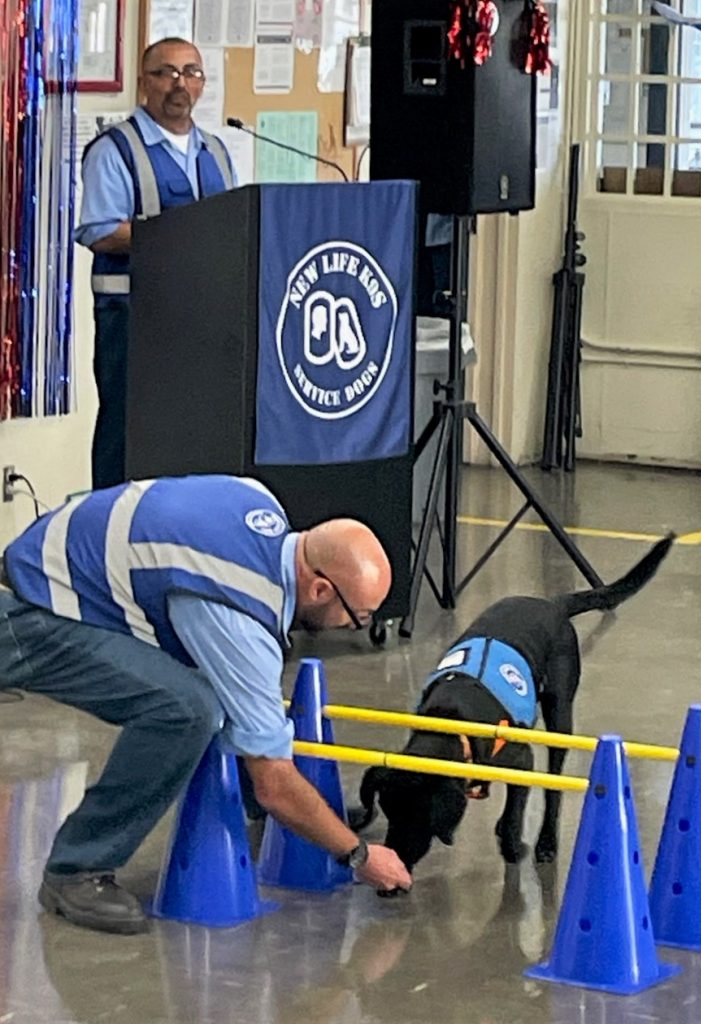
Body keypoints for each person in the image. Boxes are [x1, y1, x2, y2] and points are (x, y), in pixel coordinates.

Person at [0, 474, 412, 934]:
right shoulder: (237, 614)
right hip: (29, 612)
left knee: (215, 687)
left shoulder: (260, 501)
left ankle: (276, 815)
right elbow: (274, 783)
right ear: (319, 590)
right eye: (356, 617)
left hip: (52, 567)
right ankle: (76, 869)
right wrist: (356, 854)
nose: (351, 627)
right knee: (185, 709)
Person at [75, 38, 236, 491]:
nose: (180, 83)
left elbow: (229, 227)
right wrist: (174, 234)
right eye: (167, 72)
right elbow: (99, 230)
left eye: (192, 73)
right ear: (145, 82)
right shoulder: (115, 150)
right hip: (132, 321)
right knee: (127, 440)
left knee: (194, 442)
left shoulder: (216, 152)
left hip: (203, 321)